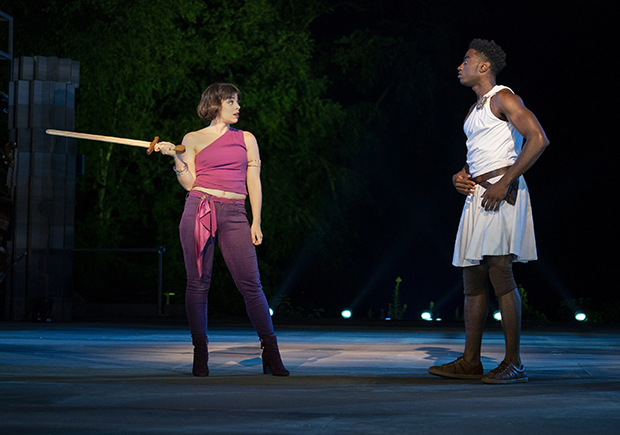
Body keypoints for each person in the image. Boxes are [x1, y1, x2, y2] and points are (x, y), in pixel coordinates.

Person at [428, 39, 549, 384]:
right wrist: (460, 176)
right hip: (480, 195)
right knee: (472, 278)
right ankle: (470, 361)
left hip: (501, 193)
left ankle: (514, 363)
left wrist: (505, 181)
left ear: (484, 66)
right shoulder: (475, 110)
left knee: (500, 272)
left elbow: (538, 138)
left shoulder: (503, 97)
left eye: (466, 60)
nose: (459, 66)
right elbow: (480, 154)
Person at [155, 83, 289, 377]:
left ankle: (271, 352)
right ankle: (200, 354)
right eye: (231, 101)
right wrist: (175, 158)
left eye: (237, 101)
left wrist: (256, 220)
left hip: (235, 212)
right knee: (198, 283)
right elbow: (190, 183)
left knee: (251, 285)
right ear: (216, 104)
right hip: (199, 208)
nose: (238, 107)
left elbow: (254, 181)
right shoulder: (192, 139)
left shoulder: (247, 139)